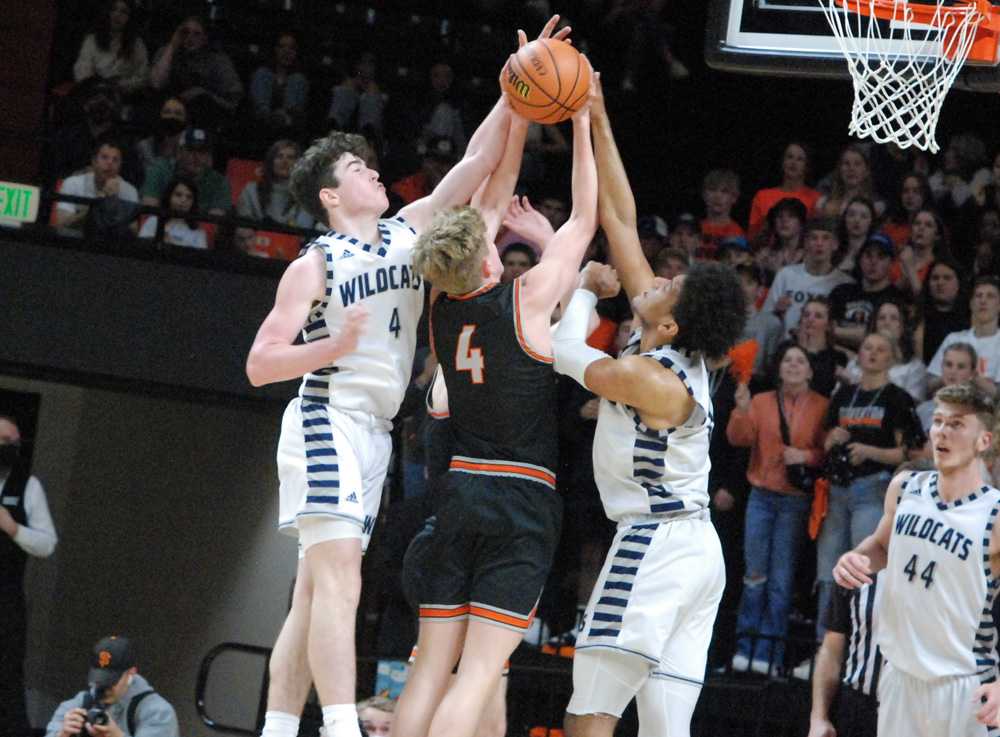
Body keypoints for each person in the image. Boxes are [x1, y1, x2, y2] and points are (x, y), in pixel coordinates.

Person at [243, 47, 516, 737]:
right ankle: (339, 725)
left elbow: (477, 162)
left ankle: (278, 727)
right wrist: (330, 347)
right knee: (342, 584)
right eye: (358, 170)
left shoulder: (408, 230)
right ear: (331, 196)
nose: (373, 171)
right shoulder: (314, 264)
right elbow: (260, 363)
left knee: (312, 595)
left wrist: (515, 84)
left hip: (374, 430)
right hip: (325, 416)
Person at [395, 36, 593, 737]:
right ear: (483, 253)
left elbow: (493, 189)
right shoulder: (523, 300)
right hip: (519, 496)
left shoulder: (443, 300)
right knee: (478, 676)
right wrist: (578, 118)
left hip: (458, 487)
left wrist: (519, 99)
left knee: (430, 669)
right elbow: (581, 221)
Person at [557, 74, 746, 737]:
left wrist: (583, 291)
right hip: (695, 553)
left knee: (588, 714)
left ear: (672, 322)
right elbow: (619, 218)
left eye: (672, 284)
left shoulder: (654, 378)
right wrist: (595, 118)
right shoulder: (671, 339)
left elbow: (562, 352)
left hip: (655, 544)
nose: (661, 274)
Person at [834, 382, 1000, 735]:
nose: (942, 431)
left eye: (956, 424)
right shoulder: (906, 487)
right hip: (900, 679)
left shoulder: (994, 514)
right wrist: (856, 558)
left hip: (965, 685)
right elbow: (881, 546)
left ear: (983, 441)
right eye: (938, 421)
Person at [727, 343, 829, 675]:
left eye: (801, 360)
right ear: (779, 367)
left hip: (795, 501)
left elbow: (825, 453)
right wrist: (741, 410)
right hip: (761, 497)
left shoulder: (822, 406)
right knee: (754, 575)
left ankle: (770, 653)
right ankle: (745, 650)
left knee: (781, 581)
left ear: (811, 370)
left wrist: (805, 456)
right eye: (788, 359)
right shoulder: (760, 401)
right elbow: (737, 439)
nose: (794, 365)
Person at [817, 330, 926, 639]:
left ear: (891, 357)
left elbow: (913, 453)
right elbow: (824, 438)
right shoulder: (843, 394)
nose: (873, 354)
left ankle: (858, 643)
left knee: (863, 568)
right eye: (867, 348)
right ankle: (823, 646)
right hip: (836, 489)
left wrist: (870, 452)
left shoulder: (898, 398)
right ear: (859, 355)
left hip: (873, 487)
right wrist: (831, 439)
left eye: (881, 349)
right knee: (828, 571)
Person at [0, 415, 57, 736]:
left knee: (7, 670)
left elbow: (47, 543)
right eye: (3, 440)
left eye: (14, 442)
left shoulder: (28, 486)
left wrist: (13, 528)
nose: (9, 448)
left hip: (6, 595)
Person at [45, 636, 178, 737]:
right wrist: (62, 734)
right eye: (99, 680)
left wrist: (116, 735)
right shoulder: (79, 704)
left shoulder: (158, 712)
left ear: (131, 672)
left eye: (111, 681)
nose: (105, 688)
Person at [805, 577, 882, 737]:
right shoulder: (853, 569)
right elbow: (831, 651)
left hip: (912, 708)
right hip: (857, 705)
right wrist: (818, 717)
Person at [762, 217, 854, 339]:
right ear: (805, 243)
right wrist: (776, 312)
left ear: (835, 244)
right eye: (814, 238)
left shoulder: (845, 283)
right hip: (786, 349)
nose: (819, 243)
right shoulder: (786, 275)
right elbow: (764, 320)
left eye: (826, 238)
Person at [149, 16, 243, 129]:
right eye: (185, 32)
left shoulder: (218, 60)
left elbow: (233, 98)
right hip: (168, 109)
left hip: (203, 113)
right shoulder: (167, 51)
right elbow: (156, 83)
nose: (190, 38)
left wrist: (202, 93)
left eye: (196, 34)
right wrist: (172, 46)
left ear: (205, 38)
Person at [830, 233, 907, 351]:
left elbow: (883, 338)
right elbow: (824, 329)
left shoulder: (897, 298)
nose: (873, 262)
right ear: (860, 260)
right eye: (868, 255)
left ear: (891, 263)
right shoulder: (841, 291)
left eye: (881, 257)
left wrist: (835, 332)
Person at [843, 300, 928, 403]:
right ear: (874, 326)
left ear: (902, 327)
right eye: (881, 318)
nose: (886, 323)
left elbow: (913, 405)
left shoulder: (914, 367)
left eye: (894, 318)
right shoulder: (855, 363)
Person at [929, 275, 1000, 396]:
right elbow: (929, 385)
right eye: (978, 296)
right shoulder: (953, 339)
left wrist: (971, 377)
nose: (983, 301)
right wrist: (953, 375)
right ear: (971, 304)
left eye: (990, 296)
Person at [55, 137, 139, 234]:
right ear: (94, 161)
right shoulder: (72, 183)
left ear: (120, 165)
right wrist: (97, 205)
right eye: (104, 157)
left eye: (115, 160)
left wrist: (114, 205)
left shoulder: (130, 191)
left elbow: (133, 231)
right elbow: (62, 223)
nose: (110, 163)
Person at [141, 128, 230, 216]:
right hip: (159, 227)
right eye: (190, 150)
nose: (196, 157)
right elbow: (149, 212)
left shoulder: (219, 182)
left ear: (208, 155)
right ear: (179, 152)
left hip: (196, 229)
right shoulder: (160, 169)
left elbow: (214, 222)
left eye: (202, 151)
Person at [72, 0, 149, 96]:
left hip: (123, 96)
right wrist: (97, 84)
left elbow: (142, 77)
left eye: (123, 12)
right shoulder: (92, 40)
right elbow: (81, 69)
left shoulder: (137, 44)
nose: (117, 15)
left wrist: (121, 85)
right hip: (93, 93)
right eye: (113, 9)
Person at [747, 141, 820, 240]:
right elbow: (752, 235)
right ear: (782, 162)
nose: (793, 163)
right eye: (789, 157)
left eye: (800, 159)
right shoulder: (762, 196)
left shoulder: (816, 198)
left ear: (807, 166)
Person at [237, 140, 316, 230]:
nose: (284, 161)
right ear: (271, 161)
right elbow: (243, 227)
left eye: (290, 158)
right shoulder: (251, 190)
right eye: (279, 156)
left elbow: (303, 232)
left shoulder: (305, 196)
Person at [249, 31, 309, 141]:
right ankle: (274, 119)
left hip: (290, 124)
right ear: (275, 50)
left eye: (291, 48)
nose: (286, 51)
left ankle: (283, 118)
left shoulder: (300, 79)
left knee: (297, 79)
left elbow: (299, 111)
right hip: (263, 120)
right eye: (282, 47)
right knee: (262, 73)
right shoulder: (263, 73)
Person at [915, 259, 971, 363]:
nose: (940, 282)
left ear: (959, 283)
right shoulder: (917, 320)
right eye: (935, 278)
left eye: (947, 278)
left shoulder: (970, 320)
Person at [796, 296, 848, 398]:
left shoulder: (837, 358)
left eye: (818, 316)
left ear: (829, 325)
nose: (810, 319)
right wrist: (801, 348)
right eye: (806, 315)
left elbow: (821, 388)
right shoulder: (785, 349)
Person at [816, 145, 885, 219]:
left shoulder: (876, 206)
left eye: (857, 164)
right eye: (846, 163)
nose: (851, 169)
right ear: (839, 170)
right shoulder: (822, 203)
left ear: (866, 171)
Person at [138, 177, 207, 249]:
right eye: (178, 195)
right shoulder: (154, 221)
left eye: (189, 197)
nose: (183, 200)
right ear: (169, 196)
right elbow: (140, 247)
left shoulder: (198, 232)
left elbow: (200, 258)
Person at [754, 196, 807, 278]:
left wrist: (777, 271)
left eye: (791, 216)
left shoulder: (811, 254)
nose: (784, 220)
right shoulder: (765, 255)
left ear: (801, 224)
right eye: (779, 216)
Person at [699, 168, 745, 259]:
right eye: (712, 190)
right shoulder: (694, 229)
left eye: (724, 191)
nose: (717, 196)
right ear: (704, 195)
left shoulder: (737, 233)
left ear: (734, 197)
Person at [134, 97, 187, 170]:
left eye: (178, 113)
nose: (172, 116)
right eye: (167, 112)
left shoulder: (189, 147)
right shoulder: (144, 147)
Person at [834, 197, 877, 274]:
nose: (857, 220)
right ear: (845, 219)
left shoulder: (874, 255)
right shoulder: (834, 250)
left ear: (871, 222)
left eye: (863, 216)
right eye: (851, 215)